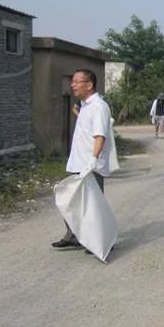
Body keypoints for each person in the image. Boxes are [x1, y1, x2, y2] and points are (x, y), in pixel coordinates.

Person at [52, 69, 115, 251]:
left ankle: (103, 241)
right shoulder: (85, 106)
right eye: (72, 81)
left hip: (90, 165)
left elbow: (100, 135)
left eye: (76, 82)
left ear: (89, 85)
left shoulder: (98, 106)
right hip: (78, 162)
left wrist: (94, 159)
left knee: (93, 205)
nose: (72, 85)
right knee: (72, 200)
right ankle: (73, 236)